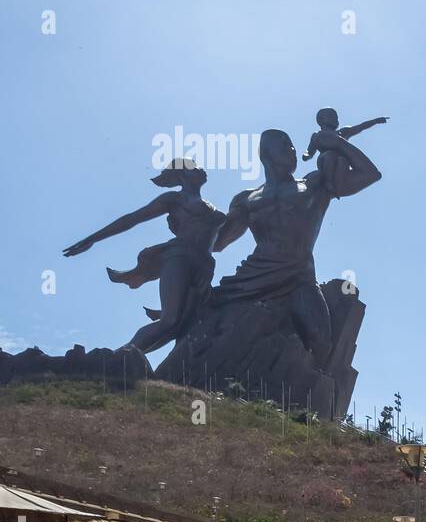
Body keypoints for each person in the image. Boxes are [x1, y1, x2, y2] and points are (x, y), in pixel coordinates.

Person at [210, 128, 381, 369]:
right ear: (266, 154)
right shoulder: (246, 199)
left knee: (320, 340)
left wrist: (339, 144)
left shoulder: (315, 184)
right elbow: (218, 243)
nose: (292, 150)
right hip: (253, 275)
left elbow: (370, 174)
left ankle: (303, 404)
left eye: (292, 146)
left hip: (299, 275)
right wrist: (199, 220)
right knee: (214, 321)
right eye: (285, 145)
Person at [62, 158, 225, 353]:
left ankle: (129, 361)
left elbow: (225, 241)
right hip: (180, 257)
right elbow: (132, 219)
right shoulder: (174, 199)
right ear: (182, 175)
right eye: (194, 168)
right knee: (170, 320)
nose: (201, 170)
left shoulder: (212, 207)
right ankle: (119, 357)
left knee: (180, 325)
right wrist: (92, 239)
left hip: (205, 265)